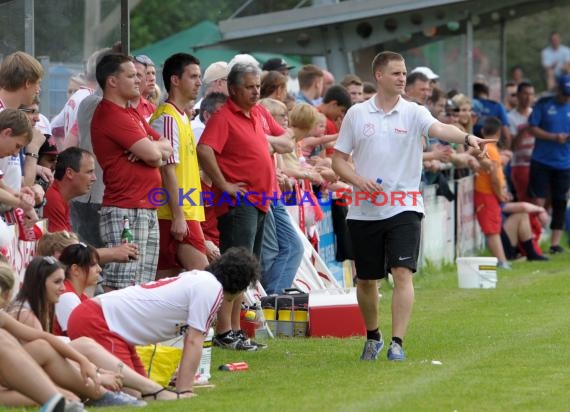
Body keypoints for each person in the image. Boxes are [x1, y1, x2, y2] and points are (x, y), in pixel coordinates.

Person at [332, 51, 495, 362]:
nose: (402, 78)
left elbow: (439, 129)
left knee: (402, 272)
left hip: (405, 206)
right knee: (366, 280)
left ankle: (397, 343)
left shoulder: (414, 112)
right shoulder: (357, 114)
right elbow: (337, 160)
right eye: (395, 73)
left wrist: (466, 137)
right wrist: (358, 180)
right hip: (364, 208)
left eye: (404, 72)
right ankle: (373, 336)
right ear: (378, 75)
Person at [67, 247, 260, 396]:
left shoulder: (200, 280)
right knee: (132, 396)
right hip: (99, 321)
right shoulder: (210, 288)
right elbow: (194, 340)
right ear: (240, 284)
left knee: (146, 392)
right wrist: (184, 391)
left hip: (108, 323)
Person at [197, 62, 279, 350]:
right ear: (233, 89)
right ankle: (225, 332)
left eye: (257, 86)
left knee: (245, 272)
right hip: (238, 204)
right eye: (249, 87)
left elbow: (282, 139)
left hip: (259, 202)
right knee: (233, 270)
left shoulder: (255, 113)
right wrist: (224, 184)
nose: (256, 92)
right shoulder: (224, 117)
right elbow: (204, 149)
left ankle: (234, 330)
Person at [8, 256, 167, 404]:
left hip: (25, 374)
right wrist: (95, 372)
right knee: (79, 354)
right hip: (16, 381)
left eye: (63, 282)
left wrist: (95, 370)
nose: (63, 288)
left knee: (83, 347)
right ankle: (126, 391)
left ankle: (143, 389)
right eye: (57, 282)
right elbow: (45, 358)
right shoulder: (26, 314)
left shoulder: (42, 307)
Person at [91, 54, 172, 290]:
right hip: (126, 208)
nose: (139, 80)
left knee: (143, 286)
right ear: (112, 81)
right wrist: (150, 150)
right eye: (132, 75)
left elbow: (166, 147)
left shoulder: (131, 112)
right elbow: (156, 155)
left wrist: (150, 148)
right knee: (122, 284)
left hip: (145, 207)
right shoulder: (111, 113)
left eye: (139, 75)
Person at [149, 53, 208, 277]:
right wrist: (179, 216)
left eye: (199, 76)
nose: (199, 82)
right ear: (175, 80)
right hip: (174, 214)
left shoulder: (182, 116)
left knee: (169, 286)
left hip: (186, 211)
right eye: (193, 76)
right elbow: (167, 170)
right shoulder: (167, 117)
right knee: (210, 283)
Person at [42, 147, 139, 264]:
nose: (94, 178)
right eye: (89, 172)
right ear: (69, 173)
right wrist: (113, 253)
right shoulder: (53, 199)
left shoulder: (60, 198)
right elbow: (69, 254)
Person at [527, 73, 570, 254]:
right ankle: (535, 239)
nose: (566, 98)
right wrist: (553, 137)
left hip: (564, 162)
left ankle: (554, 243)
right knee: (539, 199)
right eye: (564, 93)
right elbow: (532, 128)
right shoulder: (544, 104)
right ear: (558, 90)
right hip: (542, 160)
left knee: (561, 201)